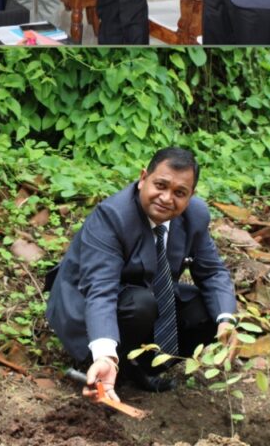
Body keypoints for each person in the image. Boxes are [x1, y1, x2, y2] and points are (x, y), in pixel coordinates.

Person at [45, 147, 237, 402]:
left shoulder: (195, 215)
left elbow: (213, 272)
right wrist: (104, 353)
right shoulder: (112, 217)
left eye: (180, 193)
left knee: (209, 310)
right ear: (143, 178)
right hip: (84, 303)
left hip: (148, 296)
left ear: (191, 196)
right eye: (160, 185)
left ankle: (141, 367)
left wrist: (226, 321)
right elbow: (100, 290)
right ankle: (103, 364)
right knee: (141, 304)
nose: (167, 198)